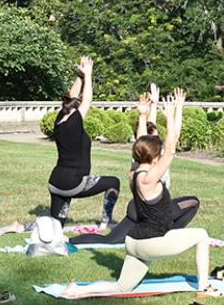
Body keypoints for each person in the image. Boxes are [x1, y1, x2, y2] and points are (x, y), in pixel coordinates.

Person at [60, 89, 217, 298]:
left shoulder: (134, 172)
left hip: (133, 242)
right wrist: (174, 114)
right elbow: (171, 146)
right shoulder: (149, 178)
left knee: (122, 287)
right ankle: (204, 288)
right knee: (201, 235)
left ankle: (78, 290)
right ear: (155, 157)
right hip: (150, 243)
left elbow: (142, 142)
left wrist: (143, 116)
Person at [70, 84, 200, 246]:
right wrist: (175, 112)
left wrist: (145, 113)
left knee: (109, 240)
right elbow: (172, 142)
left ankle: (67, 241)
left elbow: (143, 137)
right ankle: (170, 236)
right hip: (154, 212)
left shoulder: (137, 161)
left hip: (136, 209)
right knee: (193, 202)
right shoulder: (156, 166)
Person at [48, 56, 119, 228]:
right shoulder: (74, 123)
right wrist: (88, 75)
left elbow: (71, 97)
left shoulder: (60, 120)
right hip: (74, 184)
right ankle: (106, 222)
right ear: (75, 109)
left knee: (56, 227)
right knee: (114, 182)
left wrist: (80, 76)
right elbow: (86, 100)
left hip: (55, 183)